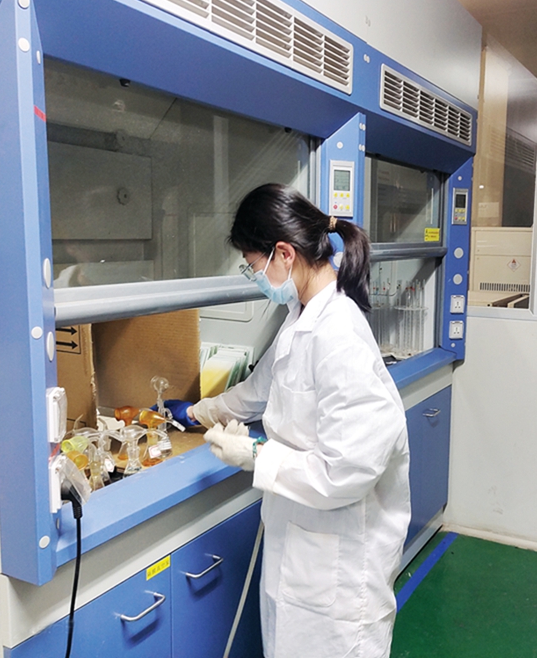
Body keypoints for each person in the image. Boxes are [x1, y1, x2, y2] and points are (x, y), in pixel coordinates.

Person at [164, 184, 411, 658]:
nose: (254, 276)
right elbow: (258, 391)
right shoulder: (301, 315)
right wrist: (194, 412)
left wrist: (256, 454)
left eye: (252, 264)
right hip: (300, 553)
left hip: (341, 574)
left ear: (284, 253)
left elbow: (346, 471)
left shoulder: (339, 336)